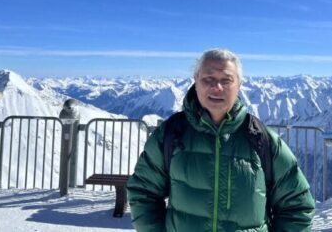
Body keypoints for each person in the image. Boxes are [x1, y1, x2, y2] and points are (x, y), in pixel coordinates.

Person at [127, 48, 315, 232]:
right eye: (208, 79)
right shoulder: (170, 134)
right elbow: (143, 192)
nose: (217, 87)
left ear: (239, 85)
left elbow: (297, 204)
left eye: (226, 80)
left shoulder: (261, 139)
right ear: (196, 80)